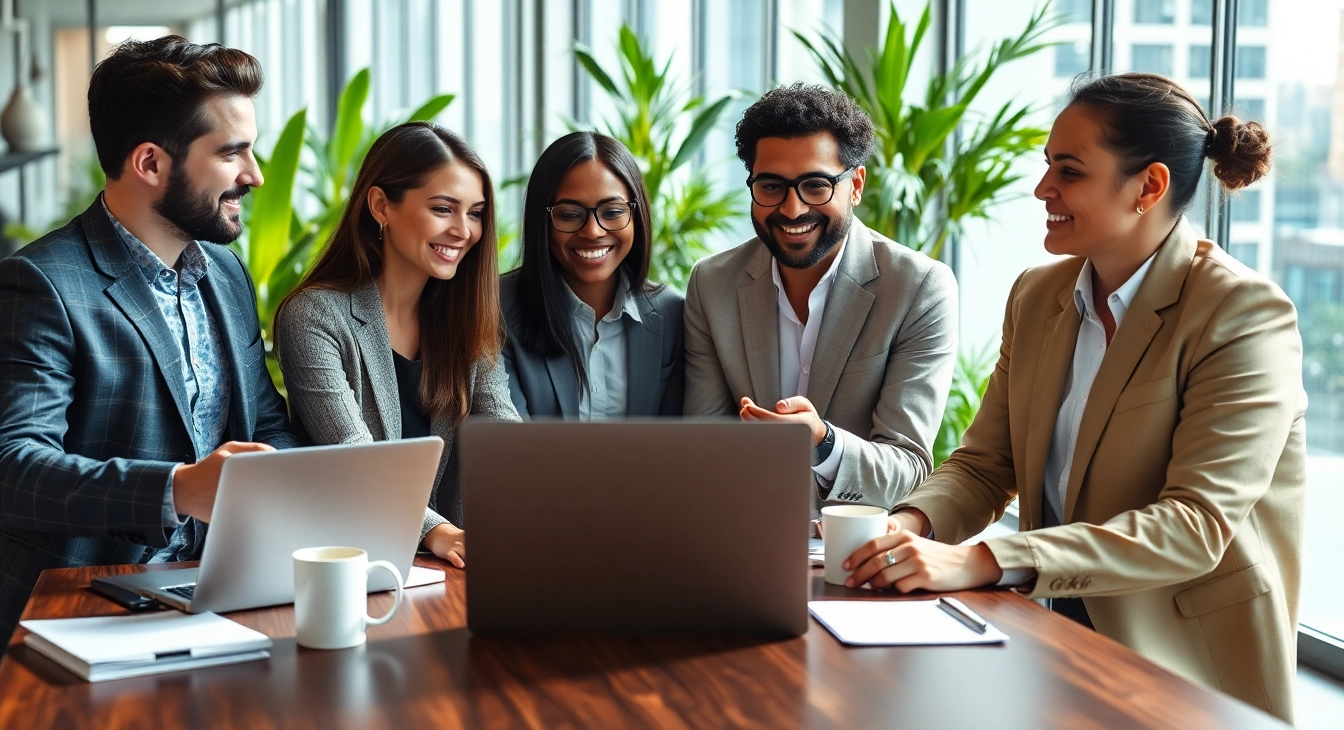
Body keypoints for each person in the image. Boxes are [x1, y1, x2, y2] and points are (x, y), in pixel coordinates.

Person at [844, 73, 1302, 723]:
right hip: (1052, 645)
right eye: (1046, 166)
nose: (1043, 189)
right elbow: (984, 465)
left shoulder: (1241, 313)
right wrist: (906, 528)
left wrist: (983, 558)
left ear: (1148, 186)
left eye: (1070, 171)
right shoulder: (1038, 295)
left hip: (1186, 674)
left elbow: (1194, 528)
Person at [0, 36, 298, 641]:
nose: (255, 176)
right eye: (232, 153)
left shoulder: (224, 271)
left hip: (225, 589)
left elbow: (263, 421)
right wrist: (177, 490)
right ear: (151, 163)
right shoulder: (42, 284)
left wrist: (320, 491)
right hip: (87, 607)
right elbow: (15, 468)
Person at [683, 83, 958, 511]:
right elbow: (702, 448)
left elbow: (907, 472)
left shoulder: (918, 288)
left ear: (857, 185)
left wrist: (823, 442)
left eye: (815, 185)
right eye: (771, 186)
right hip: (740, 536)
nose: (792, 210)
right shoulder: (712, 283)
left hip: (858, 548)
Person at [275, 122, 519, 569]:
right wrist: (438, 531)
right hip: (349, 562)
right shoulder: (315, 316)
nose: (464, 231)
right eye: (444, 209)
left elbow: (503, 430)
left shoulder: (466, 318)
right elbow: (355, 456)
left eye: (477, 213)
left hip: (450, 565)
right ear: (381, 205)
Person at [500, 132, 684, 419]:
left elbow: (681, 441)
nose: (593, 231)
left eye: (612, 212)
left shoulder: (674, 314)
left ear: (636, 216)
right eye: (570, 214)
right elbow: (505, 440)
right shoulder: (497, 308)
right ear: (542, 221)